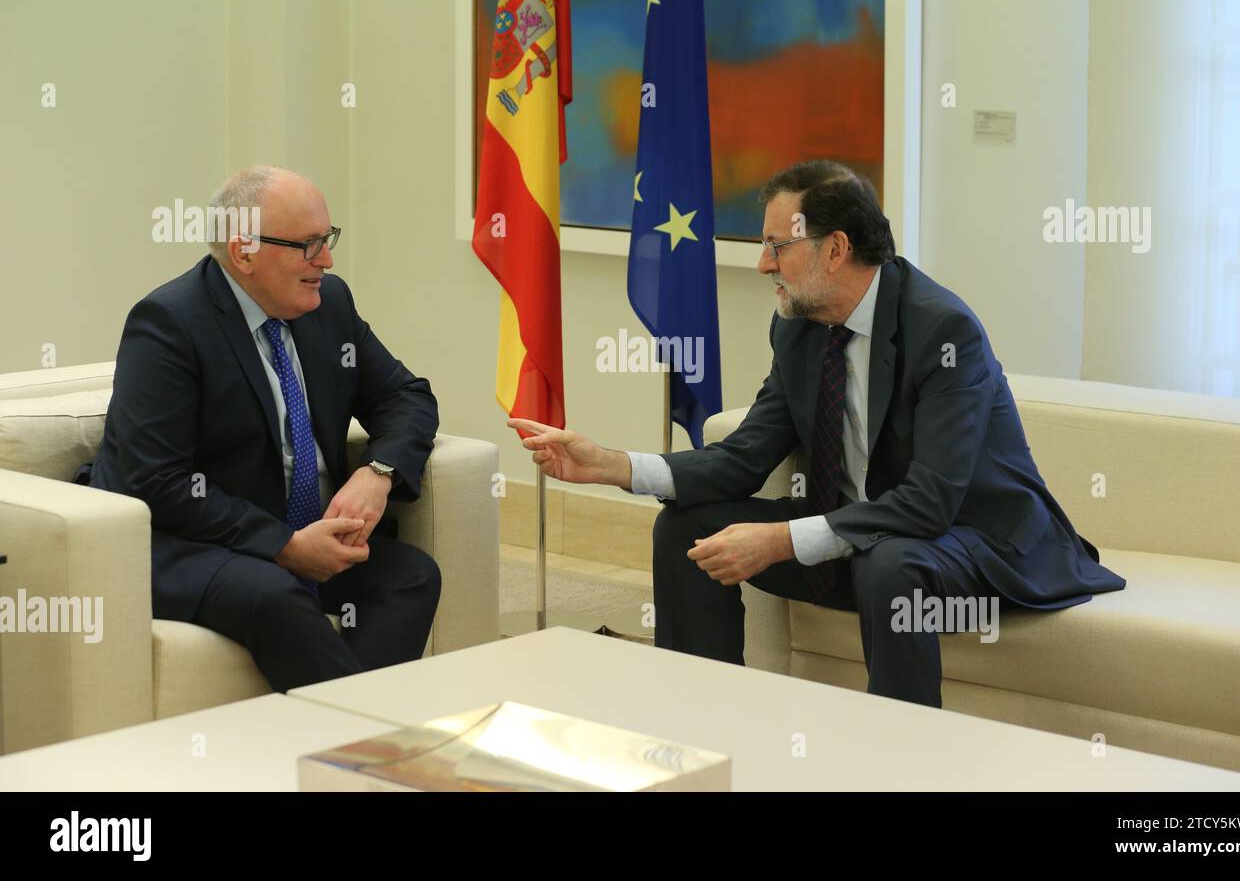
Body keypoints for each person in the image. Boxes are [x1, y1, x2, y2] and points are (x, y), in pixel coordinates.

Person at [509, 159, 1125, 708]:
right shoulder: (799, 329)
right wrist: (612, 466)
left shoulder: (943, 330)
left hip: (976, 539)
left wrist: (780, 539)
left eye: (778, 244)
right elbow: (744, 458)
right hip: (866, 534)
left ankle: (901, 763)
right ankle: (704, 724)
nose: (762, 263)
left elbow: (931, 502)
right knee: (686, 526)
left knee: (892, 560)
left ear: (835, 249)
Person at [85, 165, 440, 691]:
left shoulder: (329, 305)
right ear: (243, 250)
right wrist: (283, 545)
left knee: (411, 576)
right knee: (277, 597)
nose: (327, 259)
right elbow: (155, 481)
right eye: (308, 244)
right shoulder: (169, 324)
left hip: (305, 530)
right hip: (193, 542)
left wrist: (377, 474)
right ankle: (362, 750)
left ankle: (335, 747)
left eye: (328, 239)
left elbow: (405, 396)